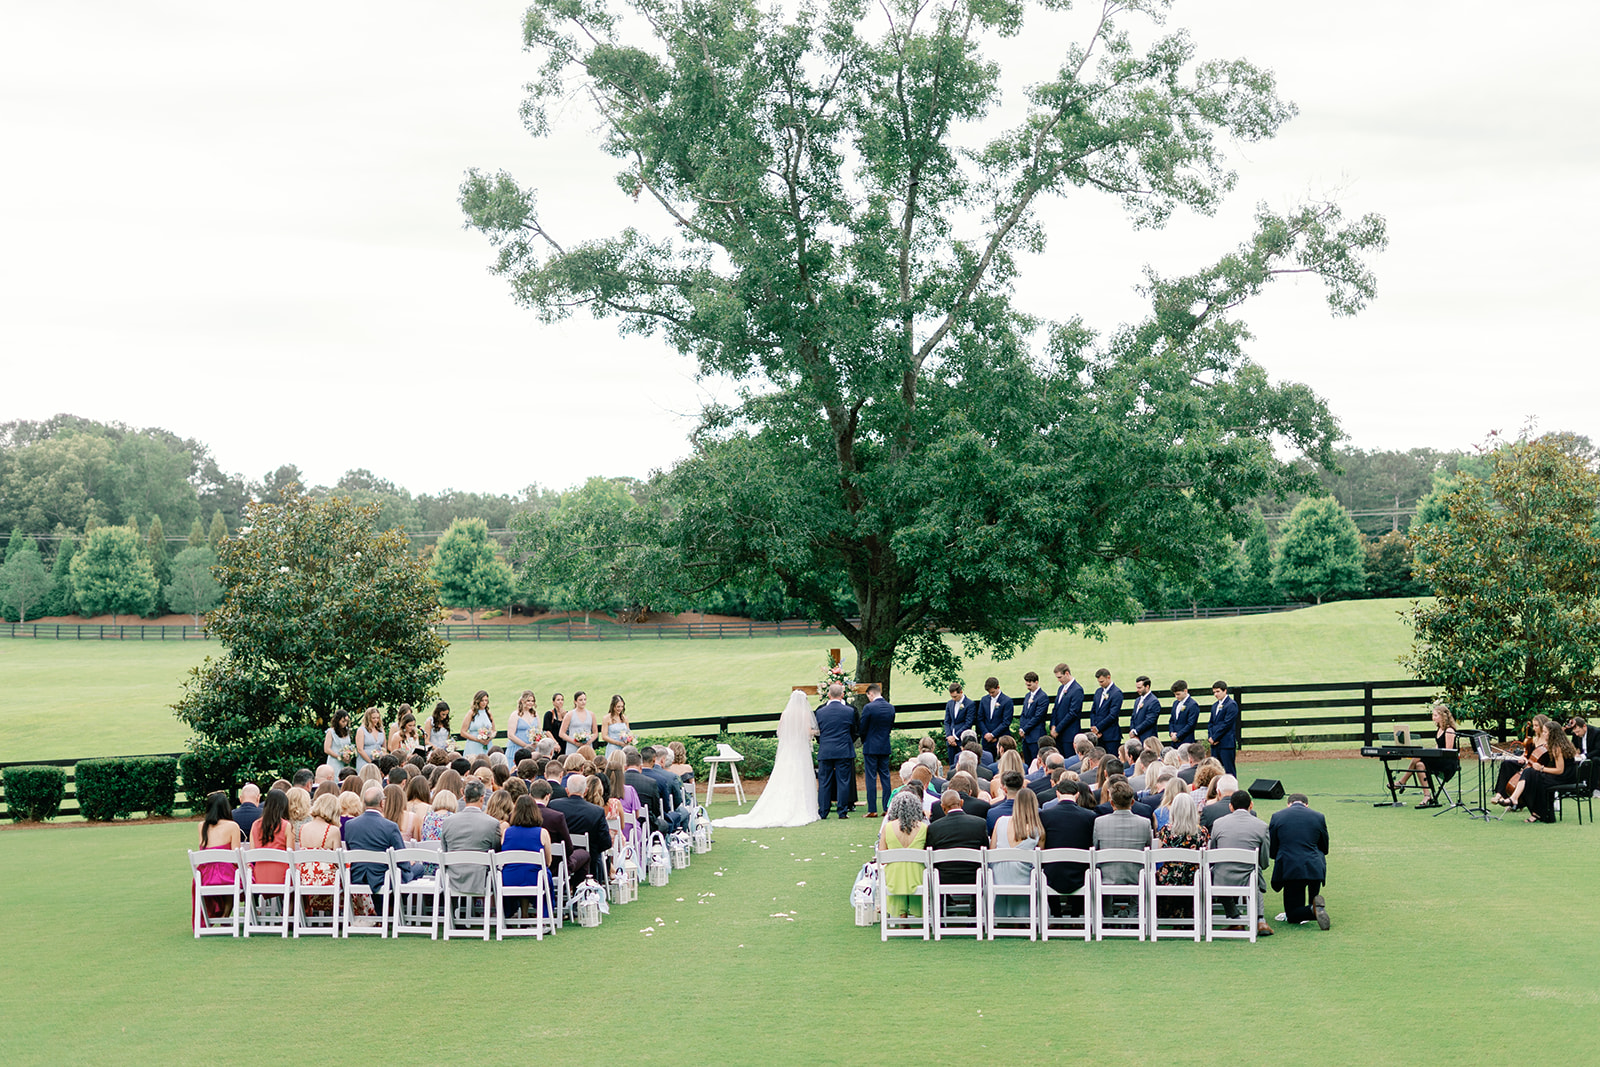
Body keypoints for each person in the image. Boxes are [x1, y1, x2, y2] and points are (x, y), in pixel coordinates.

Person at [1209, 788, 1273, 936]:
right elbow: (1264, 859)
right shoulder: (1261, 826)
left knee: (1219, 874)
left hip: (1222, 876)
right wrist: (1260, 866)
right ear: (1251, 805)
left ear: (1230, 807)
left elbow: (1213, 851)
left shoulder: (1218, 824)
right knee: (1256, 876)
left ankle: (1235, 918)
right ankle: (1260, 919)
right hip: (1248, 874)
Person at [1269, 792, 1330, 929]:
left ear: (1288, 804)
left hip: (1290, 867)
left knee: (1292, 914)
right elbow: (1324, 846)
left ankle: (1312, 910)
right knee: (1309, 896)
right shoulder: (1318, 817)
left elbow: (1272, 848)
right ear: (1306, 805)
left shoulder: (1277, 816)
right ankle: (1314, 907)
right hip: (1315, 866)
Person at [1037, 777, 1096, 913]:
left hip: (1052, 873)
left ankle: (1056, 914)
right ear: (1077, 795)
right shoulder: (1089, 816)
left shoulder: (1045, 815)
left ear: (1057, 793)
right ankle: (1076, 915)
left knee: (1051, 867)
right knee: (1082, 866)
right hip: (1080, 873)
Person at [437, 780, 502, 899]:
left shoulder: (448, 822)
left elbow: (445, 850)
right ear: (482, 798)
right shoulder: (492, 823)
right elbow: (496, 852)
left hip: (453, 879)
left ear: (464, 797)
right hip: (481, 880)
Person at [1152, 792, 1208, 919]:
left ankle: (1172, 913)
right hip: (1193, 878)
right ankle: (1187, 912)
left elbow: (1159, 855)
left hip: (1169, 879)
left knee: (1160, 873)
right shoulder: (1202, 832)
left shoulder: (1165, 831)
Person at [1091, 780, 1151, 897]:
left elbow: (1096, 847)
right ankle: (1135, 912)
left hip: (1107, 877)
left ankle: (1106, 911)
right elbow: (1147, 848)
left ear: (1111, 803)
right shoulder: (1144, 823)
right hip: (1135, 877)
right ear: (1132, 802)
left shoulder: (1100, 822)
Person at [925, 789, 988, 898]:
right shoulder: (979, 824)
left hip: (944, 877)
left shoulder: (934, 828)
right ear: (962, 803)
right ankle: (974, 910)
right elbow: (985, 849)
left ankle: (943, 907)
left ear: (942, 807)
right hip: (973, 876)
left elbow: (930, 856)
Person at [989, 785, 1041, 917]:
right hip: (1023, 878)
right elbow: (1040, 861)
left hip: (999, 877)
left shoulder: (1000, 821)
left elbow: (992, 851)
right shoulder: (1037, 830)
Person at [876, 791, 928, 918]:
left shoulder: (887, 828)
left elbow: (882, 857)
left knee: (896, 871)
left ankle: (901, 917)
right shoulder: (923, 828)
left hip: (894, 878)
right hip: (918, 877)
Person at [1516, 720, 1577, 823]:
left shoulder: (1557, 747)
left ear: (1552, 733)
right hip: (1566, 775)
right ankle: (1537, 812)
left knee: (1533, 777)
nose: (1543, 734)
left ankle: (1535, 811)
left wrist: (1541, 768)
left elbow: (1559, 770)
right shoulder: (1559, 744)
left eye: (1545, 732)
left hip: (1565, 777)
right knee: (1531, 774)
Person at [813, 683, 858, 820]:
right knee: (843, 781)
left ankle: (823, 811)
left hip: (826, 750)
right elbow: (855, 731)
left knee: (824, 781)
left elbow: (817, 732)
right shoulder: (849, 711)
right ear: (842, 695)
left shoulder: (820, 712)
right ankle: (842, 812)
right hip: (844, 750)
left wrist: (823, 742)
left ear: (828, 695)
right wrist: (847, 741)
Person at [1399, 704, 1458, 809]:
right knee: (1419, 764)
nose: (1433, 717)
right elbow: (1437, 747)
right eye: (1433, 715)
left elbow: (1448, 751)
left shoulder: (1449, 730)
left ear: (1443, 716)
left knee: (1417, 756)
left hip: (1448, 762)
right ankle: (1427, 795)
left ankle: (1402, 781)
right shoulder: (1439, 729)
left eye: (1435, 715)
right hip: (1439, 759)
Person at [194, 791, 242, 919]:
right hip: (226, 875)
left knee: (229, 873)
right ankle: (225, 916)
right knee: (241, 875)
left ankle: (221, 916)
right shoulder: (232, 826)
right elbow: (236, 857)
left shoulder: (201, 826)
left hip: (206, 876)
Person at [295, 792, 342, 915]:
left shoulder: (303, 828)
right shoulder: (333, 830)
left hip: (305, 879)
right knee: (350, 881)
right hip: (326, 880)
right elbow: (338, 860)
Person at [500, 795, 551, 902]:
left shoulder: (506, 832)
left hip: (510, 879)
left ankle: (523, 913)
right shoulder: (542, 833)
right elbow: (548, 862)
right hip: (535, 878)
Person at [859, 683, 895, 817]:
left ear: (871, 694)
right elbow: (890, 726)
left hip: (870, 746)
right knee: (885, 777)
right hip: (884, 745)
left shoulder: (869, 707)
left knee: (871, 777)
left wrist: (865, 740)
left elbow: (863, 727)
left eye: (868, 696)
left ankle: (872, 809)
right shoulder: (890, 708)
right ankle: (887, 807)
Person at [247, 788, 292, 887]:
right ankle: (291, 903)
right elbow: (290, 855)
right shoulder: (286, 826)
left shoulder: (255, 825)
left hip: (259, 876)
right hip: (282, 877)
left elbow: (252, 853)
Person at [977, 676, 1014, 761]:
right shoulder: (984, 700)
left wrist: (993, 734)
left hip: (1001, 738)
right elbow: (980, 718)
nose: (991, 694)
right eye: (989, 692)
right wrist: (986, 734)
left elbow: (1006, 721)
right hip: (986, 740)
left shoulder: (1007, 701)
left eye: (992, 692)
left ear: (998, 687)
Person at [1208, 682, 1240, 776]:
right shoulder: (1214, 706)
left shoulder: (1231, 705)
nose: (1216, 694)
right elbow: (1211, 723)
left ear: (1225, 691)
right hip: (1214, 745)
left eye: (1218, 691)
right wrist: (1210, 737)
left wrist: (1215, 737)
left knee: (1229, 770)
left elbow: (1227, 724)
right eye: (1214, 692)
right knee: (1215, 770)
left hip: (1226, 744)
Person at [1017, 671, 1050, 763]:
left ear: (1036, 682)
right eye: (1026, 685)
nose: (1028, 687)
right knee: (1027, 761)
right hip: (1026, 737)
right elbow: (1023, 714)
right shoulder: (1027, 696)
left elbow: (1038, 717)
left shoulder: (1042, 697)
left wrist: (1025, 729)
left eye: (1029, 685)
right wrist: (1021, 728)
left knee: (1036, 761)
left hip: (1036, 735)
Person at [1051, 664, 1085, 751]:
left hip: (1069, 734)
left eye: (1060, 677)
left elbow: (1073, 713)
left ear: (1067, 673)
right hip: (1058, 735)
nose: (1058, 680)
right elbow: (1055, 708)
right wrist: (1053, 726)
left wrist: (1058, 729)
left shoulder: (1077, 689)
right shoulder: (1060, 688)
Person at [942, 683, 977, 766]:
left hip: (962, 739)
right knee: (952, 765)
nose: (953, 699)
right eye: (952, 697)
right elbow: (947, 721)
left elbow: (968, 723)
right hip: (950, 740)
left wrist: (955, 737)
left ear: (961, 692)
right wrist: (949, 736)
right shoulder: (949, 704)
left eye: (955, 697)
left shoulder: (970, 704)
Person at [1089, 668, 1123, 751]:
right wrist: (1094, 729)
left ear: (1108, 677)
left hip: (1111, 736)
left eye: (1102, 681)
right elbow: (1093, 711)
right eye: (1099, 682)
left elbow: (1113, 715)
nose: (1100, 684)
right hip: (1098, 736)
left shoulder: (1116, 693)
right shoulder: (1098, 692)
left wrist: (1098, 728)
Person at [559, 690, 595, 755]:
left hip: (587, 746)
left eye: (585, 699)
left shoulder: (591, 714)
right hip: (573, 746)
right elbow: (561, 733)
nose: (583, 702)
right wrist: (575, 742)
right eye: (580, 700)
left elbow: (595, 733)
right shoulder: (569, 715)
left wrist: (589, 742)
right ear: (575, 701)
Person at [461, 690, 495, 758]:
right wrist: (478, 739)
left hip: (487, 744)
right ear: (477, 701)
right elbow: (463, 732)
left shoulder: (488, 713)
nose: (484, 703)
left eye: (486, 700)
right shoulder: (471, 713)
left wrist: (489, 737)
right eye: (482, 700)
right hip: (473, 745)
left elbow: (494, 730)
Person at [1128, 675, 1160, 742]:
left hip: (1148, 739)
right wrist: (1132, 730)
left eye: (1139, 688)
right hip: (1136, 738)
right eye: (1137, 687)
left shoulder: (1154, 701)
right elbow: (1133, 717)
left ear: (1147, 687)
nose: (1137, 690)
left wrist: (1136, 731)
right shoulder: (1137, 700)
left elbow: (1150, 721)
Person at [509, 691, 540, 760]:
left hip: (533, 748)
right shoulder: (515, 715)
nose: (531, 703)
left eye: (532, 701)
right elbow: (510, 735)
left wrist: (536, 742)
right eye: (528, 701)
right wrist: (525, 745)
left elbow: (539, 731)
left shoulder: (535, 714)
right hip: (517, 747)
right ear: (523, 701)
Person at [1168, 681, 1200, 746]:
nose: (1176, 696)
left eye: (1178, 694)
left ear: (1185, 691)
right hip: (1174, 741)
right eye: (1175, 694)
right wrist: (1171, 733)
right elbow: (1172, 720)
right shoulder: (1175, 703)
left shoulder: (1192, 705)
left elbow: (1191, 724)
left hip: (1186, 740)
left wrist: (1178, 736)